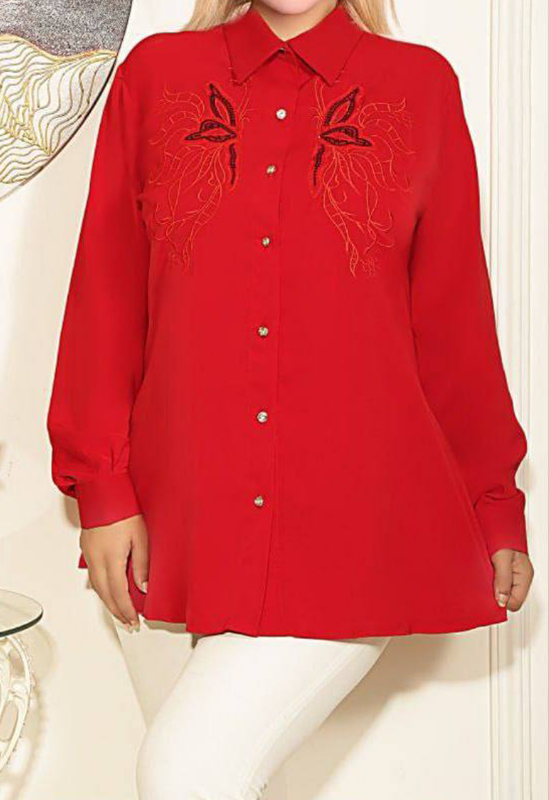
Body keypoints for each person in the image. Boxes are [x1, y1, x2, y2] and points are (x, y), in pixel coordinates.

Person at [47, 1, 535, 796]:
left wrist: (493, 501)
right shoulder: (157, 78)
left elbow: (453, 321)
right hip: (174, 524)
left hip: (351, 525)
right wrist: (101, 487)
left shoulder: (419, 87)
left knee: (184, 773)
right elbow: (107, 294)